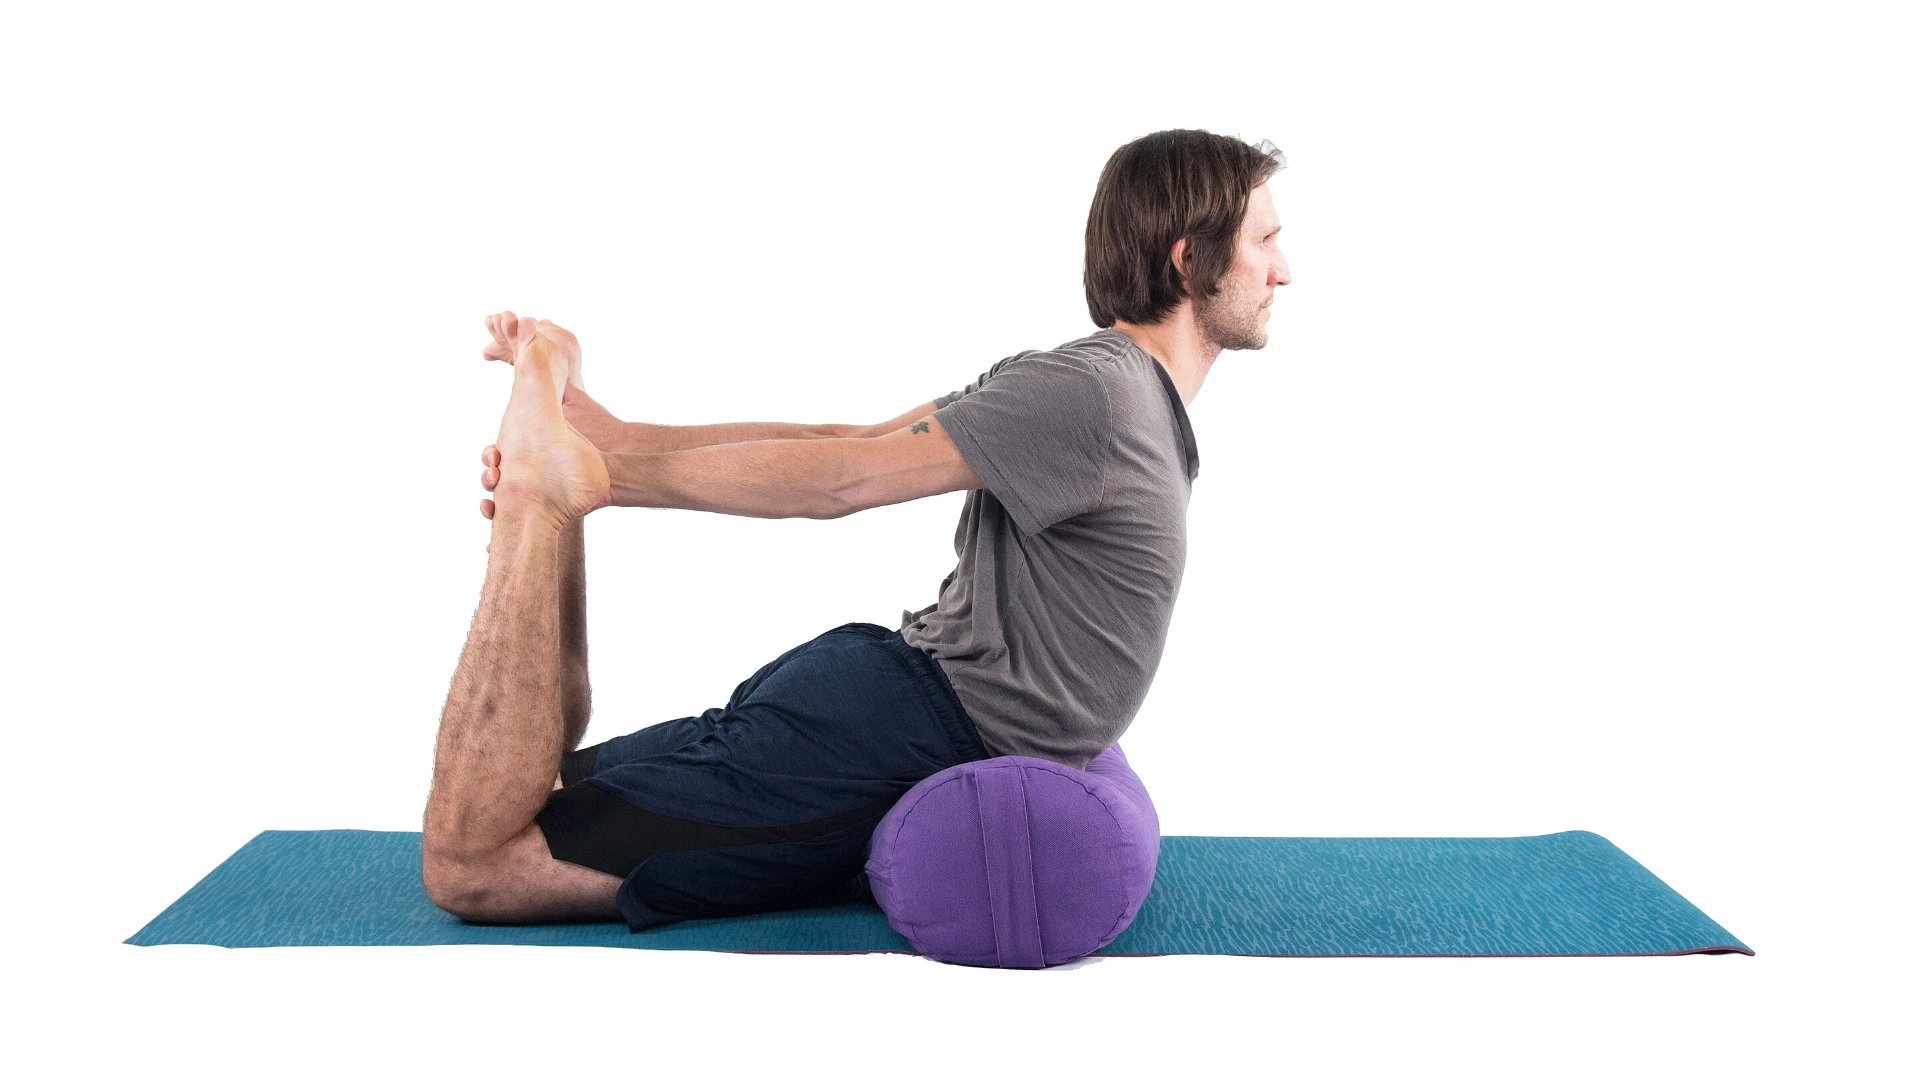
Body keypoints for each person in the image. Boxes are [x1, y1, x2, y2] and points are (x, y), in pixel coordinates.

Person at [422, 129, 1291, 928]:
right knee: (480, 863)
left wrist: (616, 446)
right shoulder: (1097, 394)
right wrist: (609, 472)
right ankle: (549, 489)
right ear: (1189, 258)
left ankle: (557, 467)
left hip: (882, 701)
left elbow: (852, 440)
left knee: (532, 794)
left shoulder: (1097, 390)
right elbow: (845, 477)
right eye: (1264, 241)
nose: (1281, 270)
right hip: (890, 737)